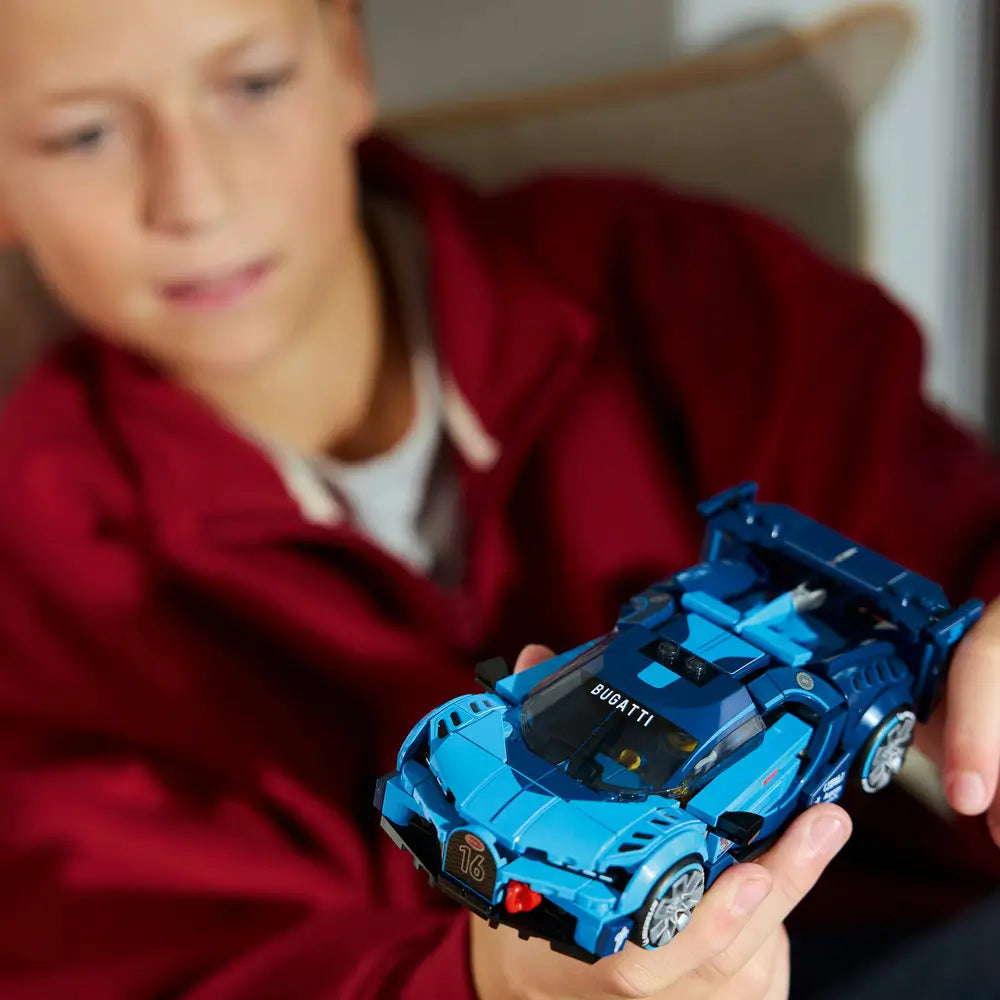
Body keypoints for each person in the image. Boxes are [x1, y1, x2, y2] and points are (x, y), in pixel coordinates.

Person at [0, 1, 997, 997]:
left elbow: (956, 534)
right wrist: (494, 982)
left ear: (346, 62)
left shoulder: (668, 280)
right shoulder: (32, 565)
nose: (196, 197)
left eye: (252, 85)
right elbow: (129, 957)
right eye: (84, 134)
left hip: (895, 925)